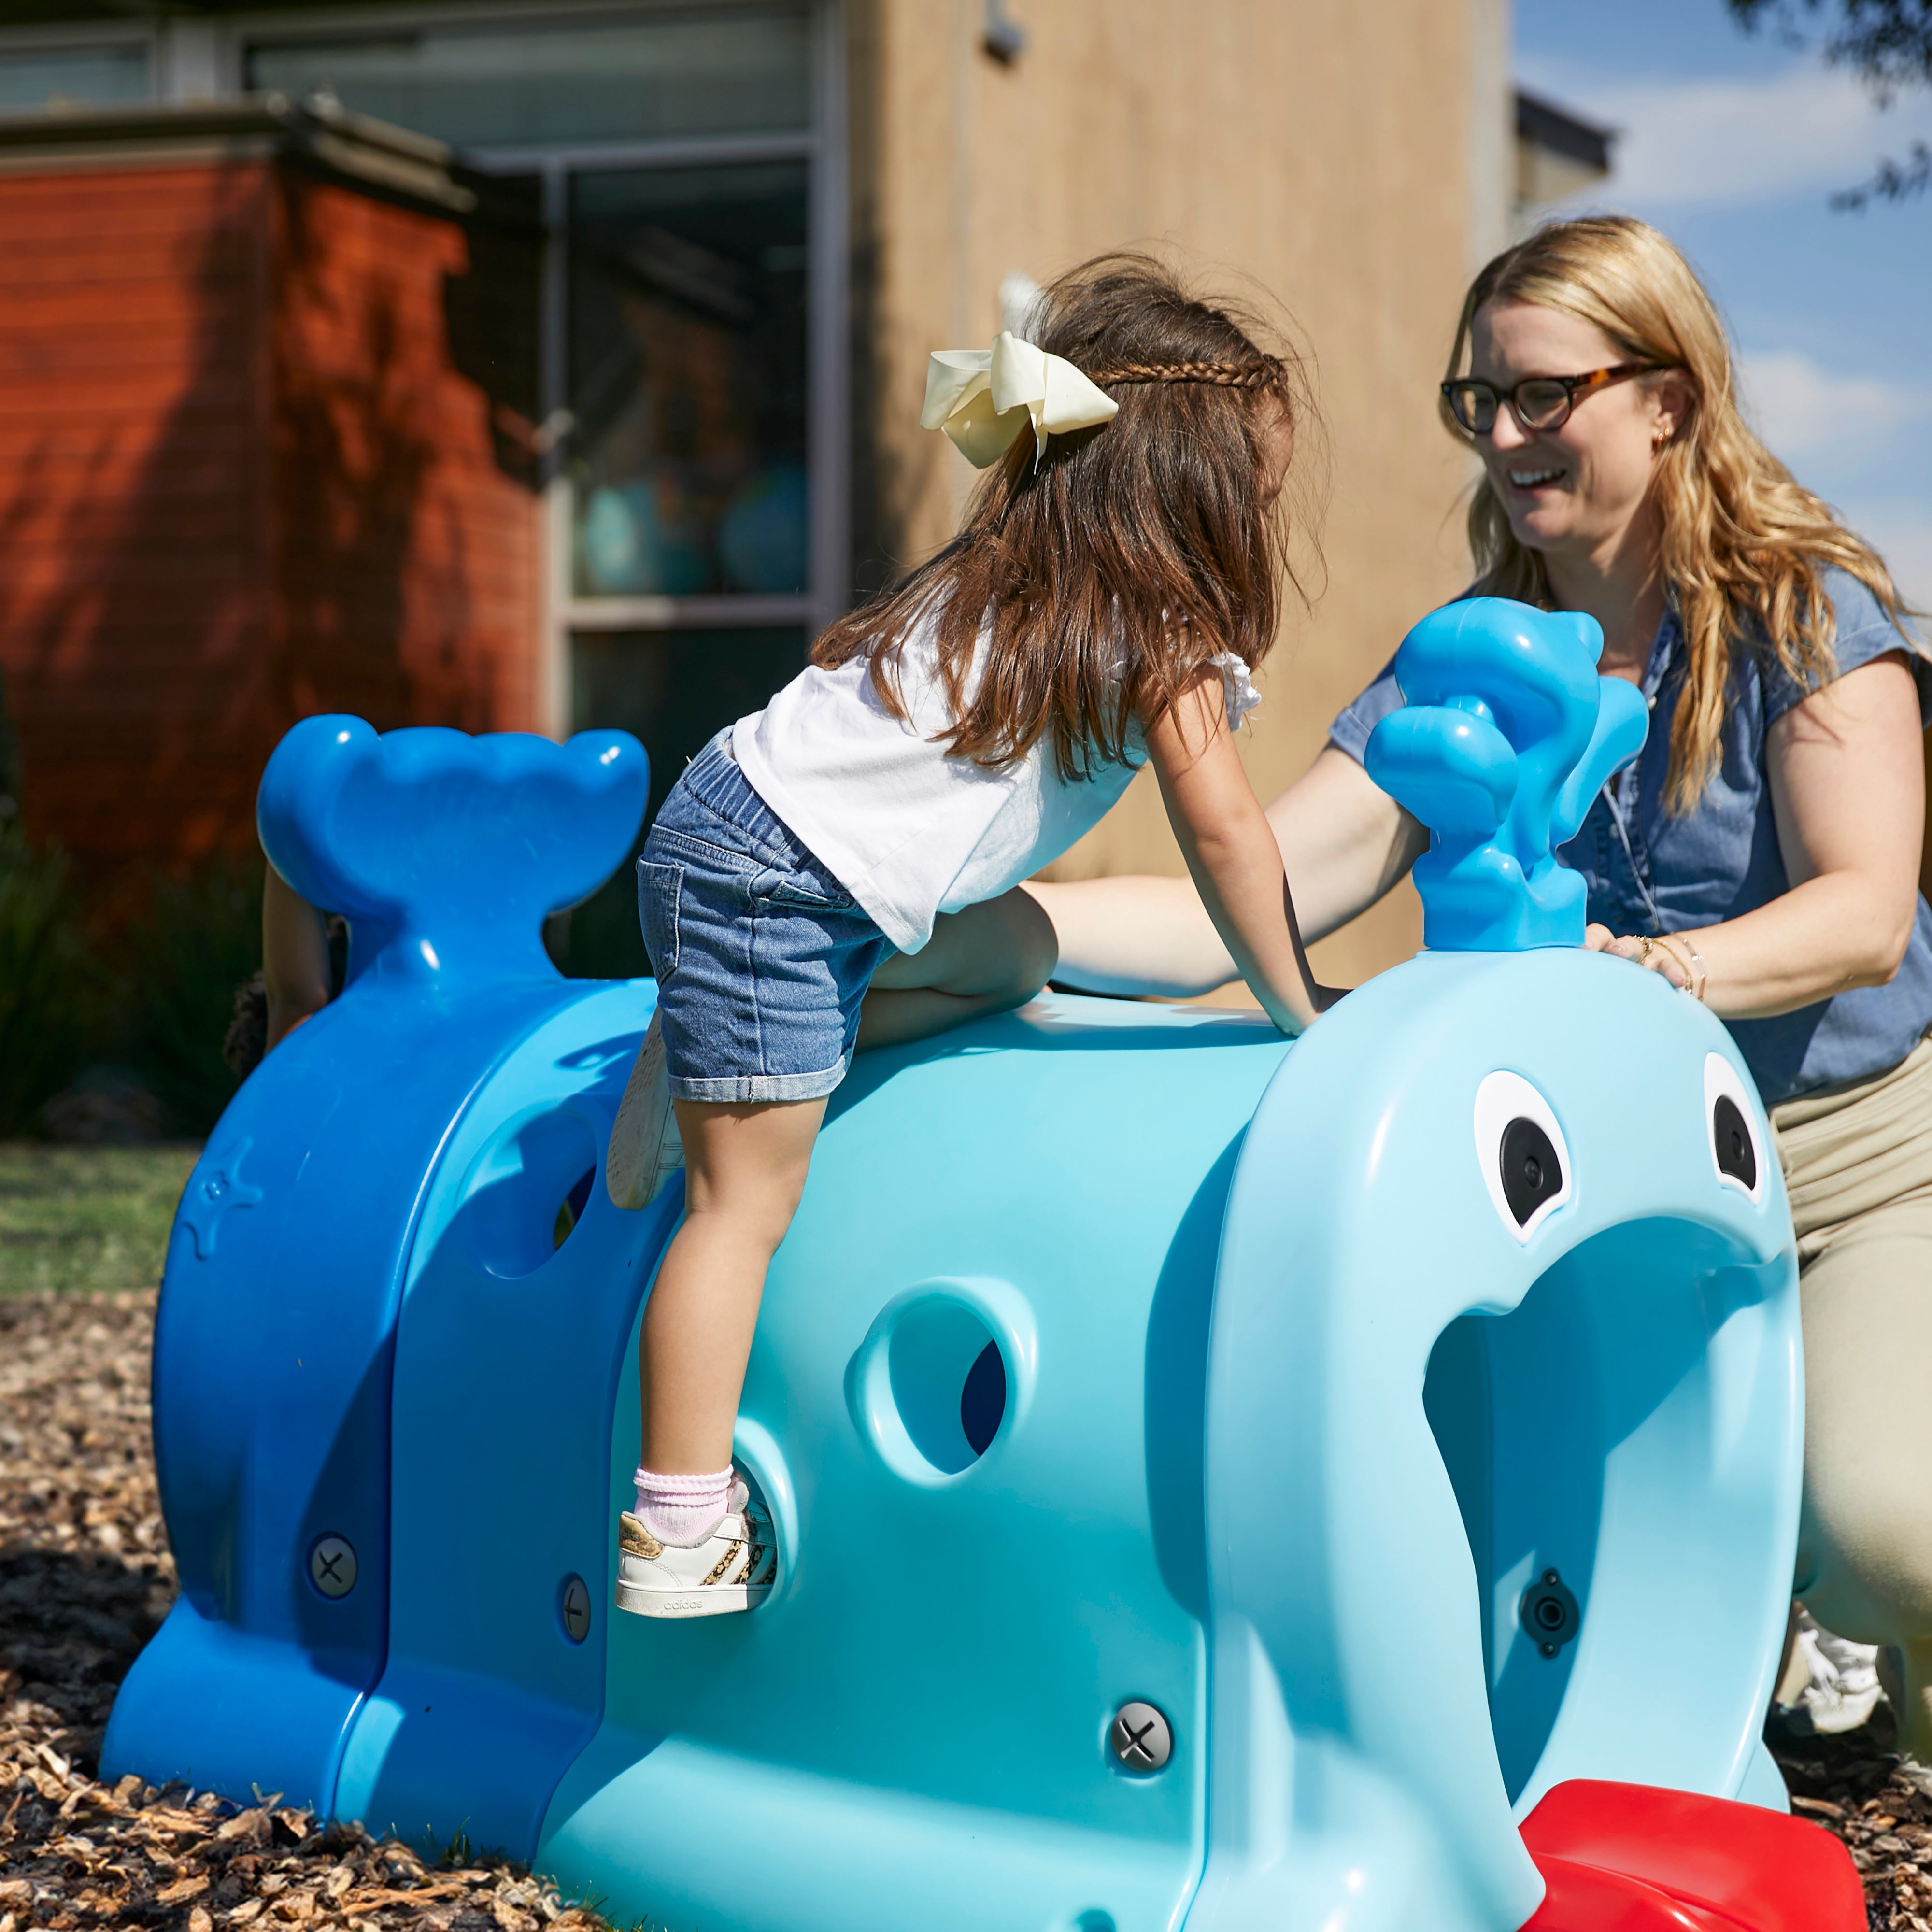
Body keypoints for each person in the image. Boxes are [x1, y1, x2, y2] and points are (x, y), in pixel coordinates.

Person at [1033, 215, 1932, 1760]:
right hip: (1593, 1207)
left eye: (1543, 395)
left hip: (1849, 1167)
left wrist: (1654, 975)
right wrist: (983, 923)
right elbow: (1255, 895)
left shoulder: (1804, 611)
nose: (1505, 437)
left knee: (1890, 1529)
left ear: (1667, 400)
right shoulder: (1466, 666)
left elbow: (1862, 913)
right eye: (1482, 400)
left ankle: (1855, 1646)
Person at [602, 254, 1341, 1618]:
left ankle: (712, 1038)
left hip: (767, 857)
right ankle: (679, 1529)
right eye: (1254, 491)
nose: (1261, 516)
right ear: (1186, 487)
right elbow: (1232, 839)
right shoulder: (1155, 630)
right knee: (742, 1209)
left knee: (1016, 950)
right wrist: (1303, 1008)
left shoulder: (1012, 577)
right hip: (776, 884)